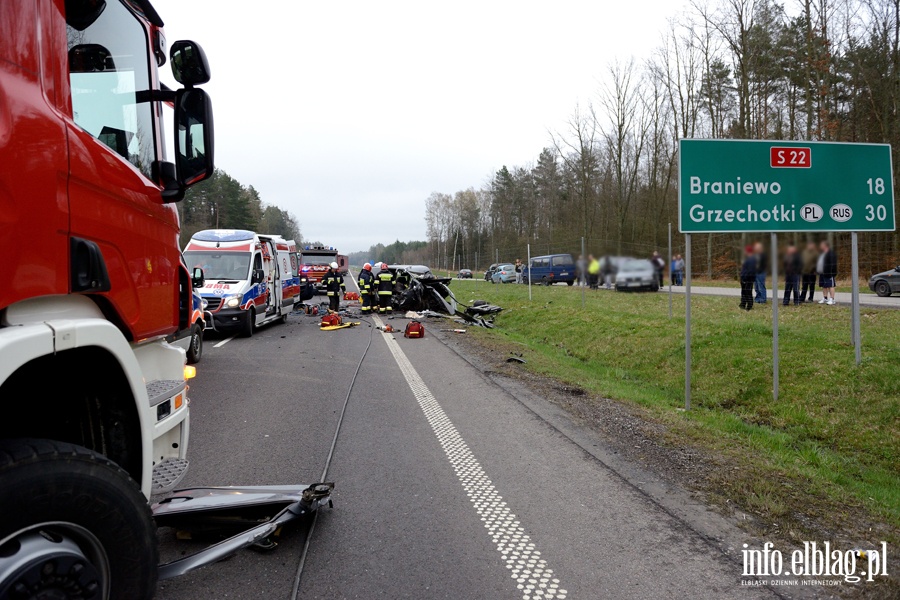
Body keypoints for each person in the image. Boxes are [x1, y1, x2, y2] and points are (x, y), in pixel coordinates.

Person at [817, 241, 837, 305]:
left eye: (821, 245)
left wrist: (832, 272)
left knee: (830, 285)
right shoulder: (822, 253)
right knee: (824, 286)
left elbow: (833, 264)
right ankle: (825, 298)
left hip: (829, 273)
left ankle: (832, 299)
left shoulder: (831, 253)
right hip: (822, 272)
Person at [739, 245, 756, 311]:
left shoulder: (751, 259)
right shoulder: (748, 259)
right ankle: (743, 304)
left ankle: (749, 305)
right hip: (744, 278)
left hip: (748, 279)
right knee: (744, 292)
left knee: (748, 292)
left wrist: (745, 278)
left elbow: (750, 271)